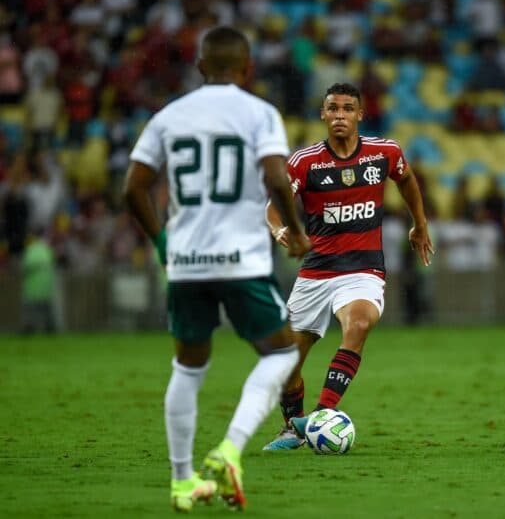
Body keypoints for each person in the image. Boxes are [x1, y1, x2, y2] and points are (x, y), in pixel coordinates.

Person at [123, 26, 310, 512]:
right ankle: (230, 449)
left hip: (185, 263)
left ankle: (182, 481)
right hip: (240, 261)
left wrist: (164, 243)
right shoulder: (260, 113)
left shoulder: (170, 116)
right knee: (279, 355)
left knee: (187, 366)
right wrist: (296, 231)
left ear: (201, 67)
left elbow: (133, 188)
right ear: (248, 68)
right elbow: (274, 175)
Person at [262, 82, 434, 450]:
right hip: (316, 270)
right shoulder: (304, 161)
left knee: (357, 323)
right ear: (323, 114)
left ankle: (322, 415)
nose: (339, 115)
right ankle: (292, 427)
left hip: (363, 268)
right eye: (333, 108)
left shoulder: (383, 153)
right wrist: (278, 229)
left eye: (347, 108)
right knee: (286, 359)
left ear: (359, 114)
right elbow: (274, 205)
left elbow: (406, 179)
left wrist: (419, 222)